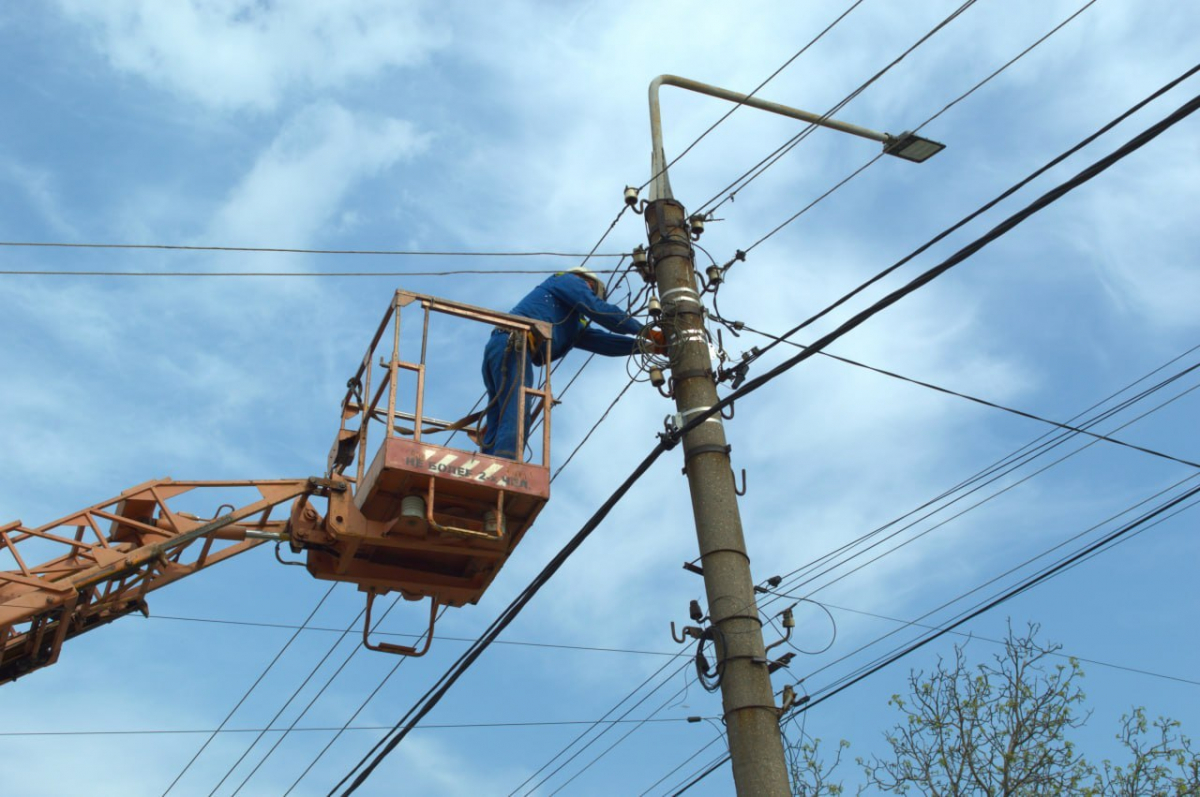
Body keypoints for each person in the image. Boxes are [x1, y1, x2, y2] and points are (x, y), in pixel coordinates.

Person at [480, 267, 662, 460]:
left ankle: (488, 467)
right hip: (512, 343)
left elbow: (603, 342)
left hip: (504, 346)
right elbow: (597, 308)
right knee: (517, 409)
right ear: (589, 284)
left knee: (500, 416)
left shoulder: (572, 323)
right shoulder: (566, 280)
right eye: (590, 291)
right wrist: (644, 330)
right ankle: (505, 468)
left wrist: (648, 346)